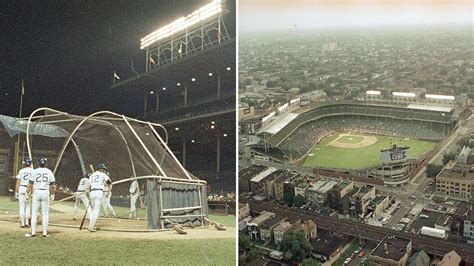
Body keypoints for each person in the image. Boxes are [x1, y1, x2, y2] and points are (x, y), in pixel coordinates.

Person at [25, 157, 55, 237]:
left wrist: (27, 193)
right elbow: (52, 185)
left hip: (37, 192)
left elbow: (30, 184)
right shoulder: (49, 171)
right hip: (45, 192)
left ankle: (33, 232)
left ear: (38, 163)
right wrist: (52, 194)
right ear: (45, 163)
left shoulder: (35, 171)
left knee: (34, 214)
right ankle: (45, 233)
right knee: (45, 214)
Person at [88, 163, 112, 232]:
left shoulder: (92, 175)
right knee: (96, 210)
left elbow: (89, 186)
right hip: (99, 192)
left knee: (92, 210)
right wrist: (108, 192)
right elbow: (110, 183)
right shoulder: (103, 175)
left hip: (92, 192)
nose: (104, 171)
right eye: (103, 169)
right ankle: (92, 227)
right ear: (101, 169)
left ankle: (90, 225)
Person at [15, 159, 34, 228]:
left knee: (22, 207)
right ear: (30, 164)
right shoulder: (33, 171)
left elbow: (17, 182)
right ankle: (27, 223)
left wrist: (16, 191)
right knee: (28, 207)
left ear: (25, 164)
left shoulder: (21, 170)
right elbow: (32, 183)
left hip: (21, 188)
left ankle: (22, 224)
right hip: (28, 188)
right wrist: (32, 191)